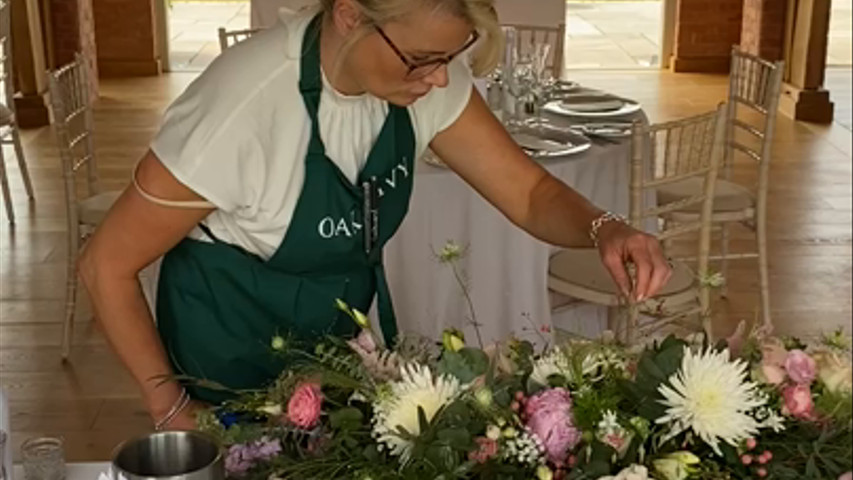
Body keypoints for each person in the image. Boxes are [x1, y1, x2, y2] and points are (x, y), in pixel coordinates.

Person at [79, 0, 671, 431]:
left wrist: (605, 227)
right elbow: (105, 265)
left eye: (449, 57)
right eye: (421, 59)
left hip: (337, 344)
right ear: (350, 15)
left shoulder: (423, 82)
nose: (438, 78)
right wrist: (171, 407)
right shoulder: (241, 106)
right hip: (227, 350)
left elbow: (530, 193)